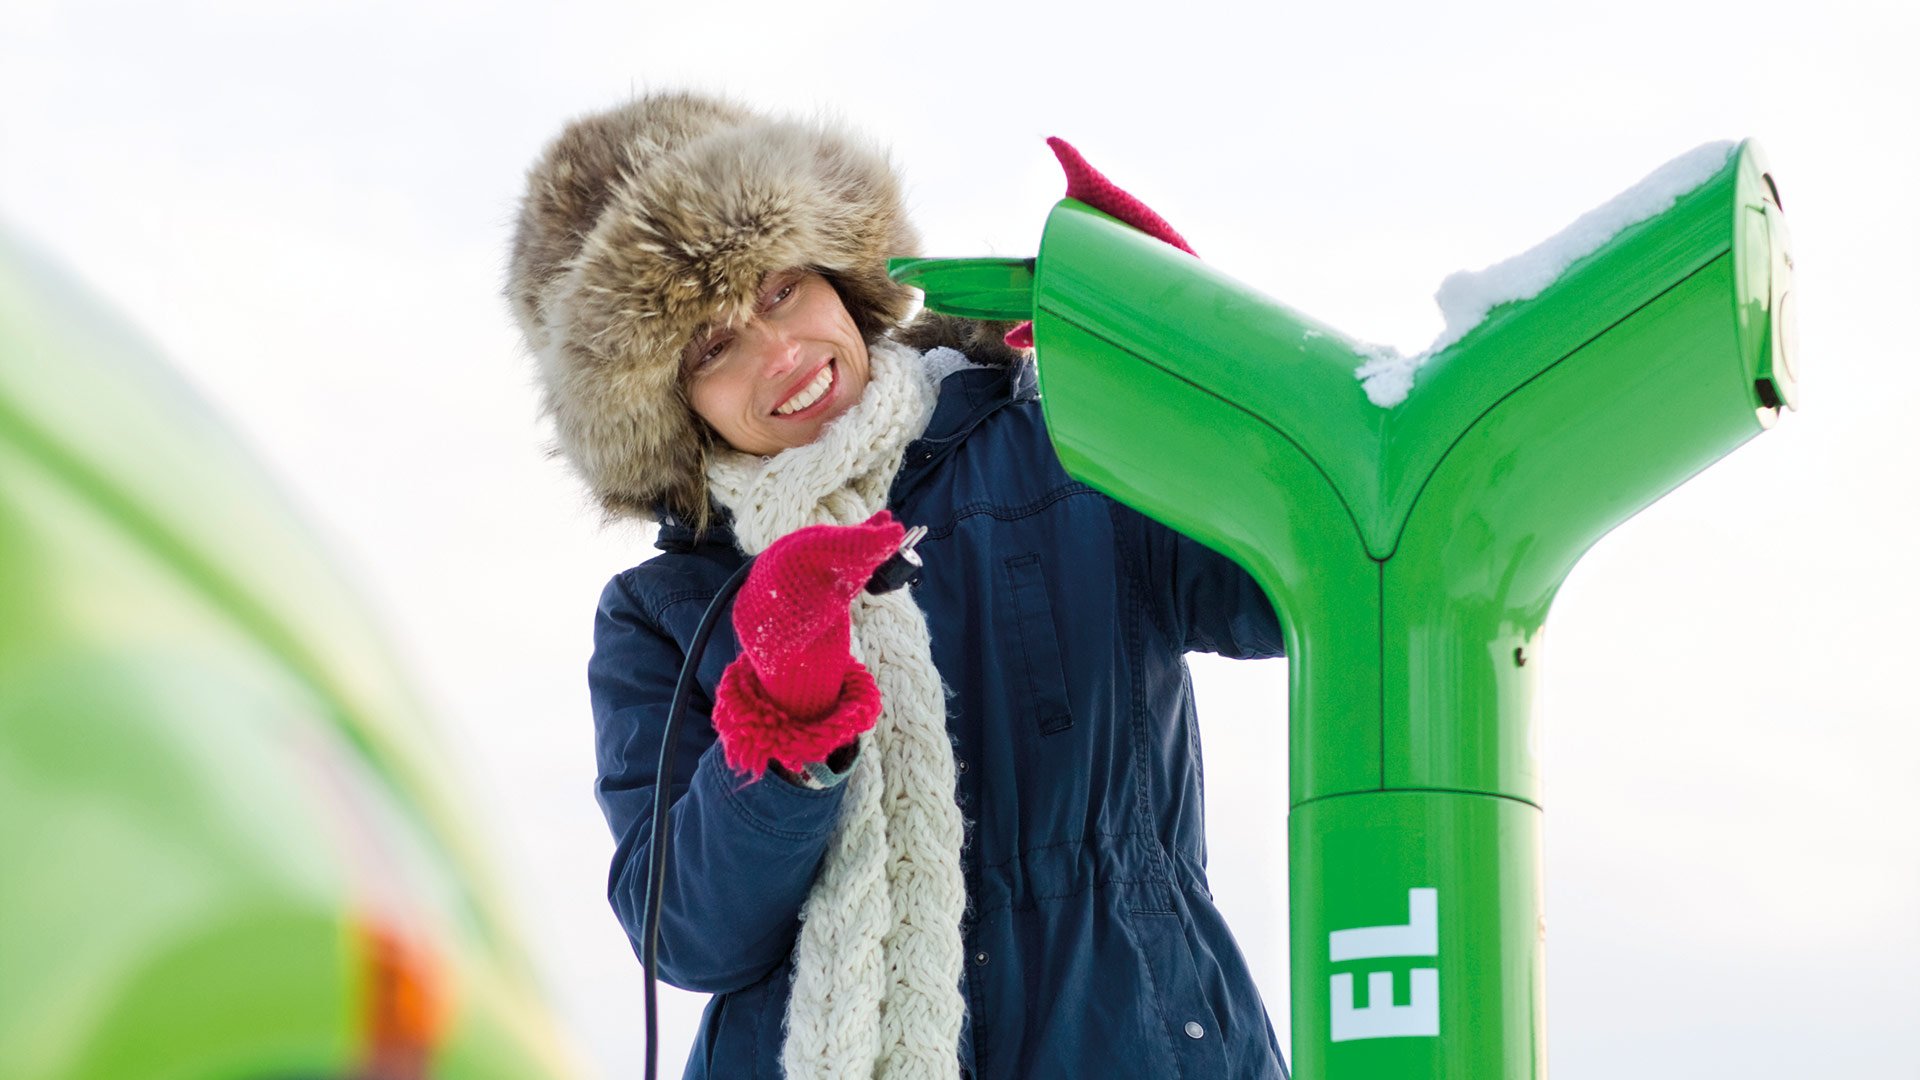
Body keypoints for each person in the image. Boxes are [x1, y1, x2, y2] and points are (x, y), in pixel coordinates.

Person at [507, 92, 1290, 1080]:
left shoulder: (1056, 451)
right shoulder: (663, 613)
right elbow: (689, 933)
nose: (779, 351)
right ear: (663, 408)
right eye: (712, 346)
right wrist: (788, 717)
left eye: (783, 288)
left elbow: (1282, 583)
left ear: (838, 271)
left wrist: (1179, 356)